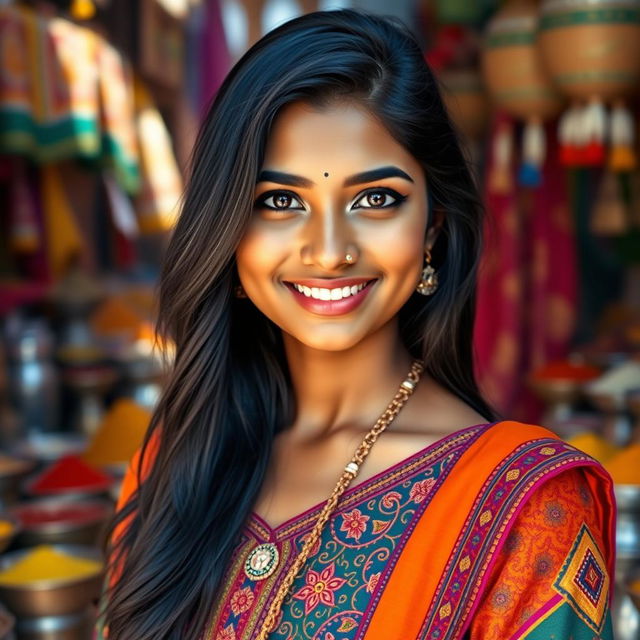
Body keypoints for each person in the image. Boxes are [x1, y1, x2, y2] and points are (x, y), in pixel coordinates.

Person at [96, 9, 616, 640]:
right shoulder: (169, 467)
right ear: (228, 231)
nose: (329, 250)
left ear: (433, 226)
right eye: (280, 201)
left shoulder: (527, 510)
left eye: (375, 199)